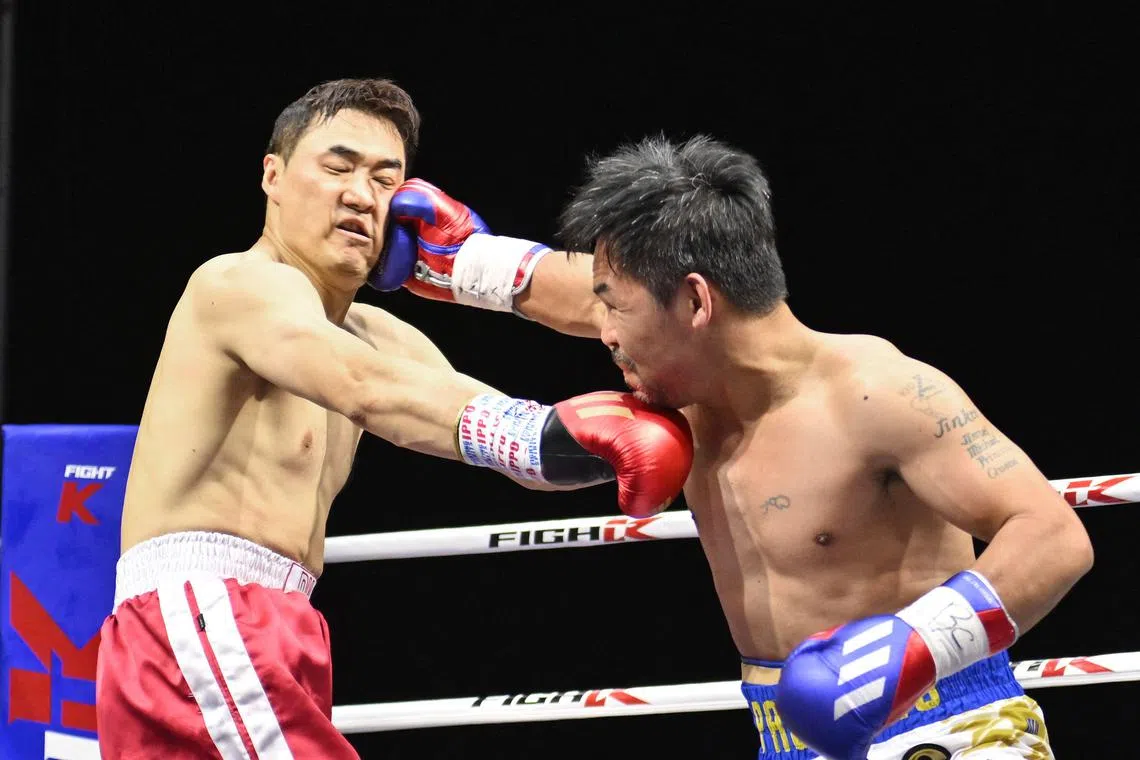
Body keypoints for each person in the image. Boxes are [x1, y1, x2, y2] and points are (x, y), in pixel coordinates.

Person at [372, 135, 1095, 759]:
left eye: (614, 306)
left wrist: (910, 648)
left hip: (946, 726)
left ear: (695, 301)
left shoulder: (879, 394)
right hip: (782, 736)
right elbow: (572, 291)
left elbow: (1055, 536)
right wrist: (457, 261)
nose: (606, 332)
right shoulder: (681, 368)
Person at [93, 79, 693, 759]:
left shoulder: (375, 333)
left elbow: (505, 439)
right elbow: (367, 389)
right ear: (274, 176)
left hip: (266, 627)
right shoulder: (238, 284)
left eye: (387, 177)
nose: (361, 194)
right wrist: (534, 434)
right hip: (204, 619)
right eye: (337, 166)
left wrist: (472, 269)